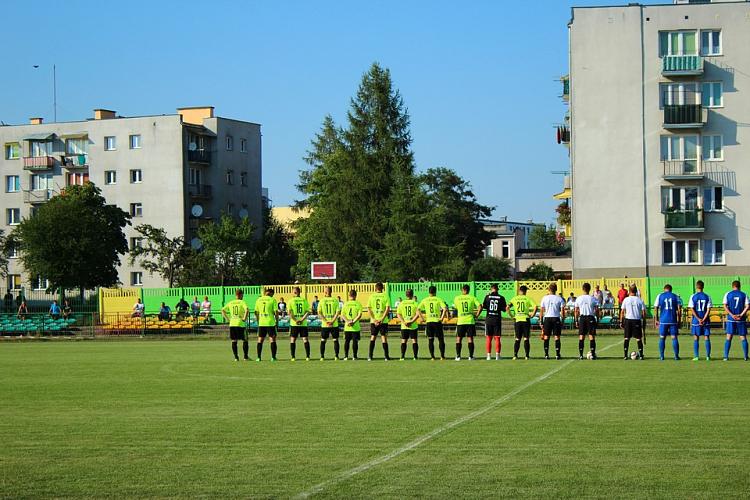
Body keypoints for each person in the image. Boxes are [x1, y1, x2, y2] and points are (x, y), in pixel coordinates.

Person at [453, 284, 482, 361]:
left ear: (462, 290)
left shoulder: (457, 298)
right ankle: (470, 356)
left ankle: (458, 356)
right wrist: (477, 315)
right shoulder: (472, 297)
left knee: (459, 338)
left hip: (461, 321)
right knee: (470, 338)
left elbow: (455, 308)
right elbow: (480, 306)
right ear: (468, 290)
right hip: (470, 321)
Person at [507, 285, 537, 360]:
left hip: (517, 319)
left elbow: (507, 307)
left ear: (519, 291)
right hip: (525, 319)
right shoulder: (527, 298)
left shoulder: (515, 298)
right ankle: (527, 356)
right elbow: (535, 307)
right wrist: (532, 315)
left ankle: (515, 355)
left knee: (517, 338)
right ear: (525, 291)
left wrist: (511, 316)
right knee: (526, 338)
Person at [654, 284, 683, 361]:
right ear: (671, 289)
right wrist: (679, 320)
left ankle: (661, 356)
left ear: (664, 289)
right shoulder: (675, 296)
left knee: (662, 337)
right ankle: (676, 356)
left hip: (663, 320)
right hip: (673, 320)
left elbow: (656, 307)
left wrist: (656, 319)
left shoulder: (660, 296)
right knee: (674, 337)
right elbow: (679, 309)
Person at [418, 286, 448, 360]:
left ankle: (432, 357)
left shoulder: (425, 300)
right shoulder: (438, 299)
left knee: (430, 340)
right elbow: (445, 308)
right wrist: (442, 318)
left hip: (429, 322)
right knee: (440, 339)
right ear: (435, 291)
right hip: (437, 321)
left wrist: (422, 318)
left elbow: (418, 310)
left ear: (429, 292)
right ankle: (442, 356)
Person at [723, 280, 749, 361]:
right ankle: (745, 356)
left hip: (731, 319)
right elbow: (747, 306)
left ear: (732, 286)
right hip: (741, 319)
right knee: (743, 337)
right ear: (740, 286)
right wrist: (741, 314)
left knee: (729, 337)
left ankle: (726, 357)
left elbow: (725, 306)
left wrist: (732, 315)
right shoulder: (744, 294)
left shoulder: (728, 294)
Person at [221, 289, 250, 361]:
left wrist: (228, 319)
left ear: (235, 294)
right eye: (242, 295)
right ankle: (245, 357)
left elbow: (222, 310)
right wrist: (244, 318)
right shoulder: (242, 302)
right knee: (245, 340)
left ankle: (236, 357)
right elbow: (247, 310)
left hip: (232, 323)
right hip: (240, 323)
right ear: (241, 295)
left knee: (234, 340)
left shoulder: (231, 302)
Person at [540, 283, 566, 360]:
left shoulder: (544, 298)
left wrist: (541, 321)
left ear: (549, 289)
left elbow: (541, 310)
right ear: (556, 289)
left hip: (547, 318)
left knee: (546, 336)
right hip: (556, 318)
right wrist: (563, 320)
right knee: (557, 337)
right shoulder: (559, 298)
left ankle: (546, 354)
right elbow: (562, 311)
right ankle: (557, 355)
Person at [688, 280, 712, 361]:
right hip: (706, 320)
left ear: (696, 287)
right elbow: (708, 309)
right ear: (703, 287)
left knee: (696, 338)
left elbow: (692, 309)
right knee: (706, 337)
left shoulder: (693, 296)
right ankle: (708, 356)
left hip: (696, 321)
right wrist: (704, 319)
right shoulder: (707, 296)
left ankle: (696, 356)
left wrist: (698, 319)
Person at [574, 283, 599, 360]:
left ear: (582, 289)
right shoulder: (593, 298)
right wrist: (597, 318)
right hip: (590, 317)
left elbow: (576, 310)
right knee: (591, 336)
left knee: (581, 336)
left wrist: (576, 320)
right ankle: (593, 355)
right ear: (589, 289)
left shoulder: (579, 298)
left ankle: (581, 355)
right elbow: (597, 310)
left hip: (582, 318)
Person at [620, 285, 646, 360]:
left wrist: (621, 321)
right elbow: (644, 312)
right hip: (637, 320)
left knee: (626, 338)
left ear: (629, 291)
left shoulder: (626, 299)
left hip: (628, 320)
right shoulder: (640, 300)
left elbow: (622, 311)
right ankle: (641, 355)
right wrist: (644, 321)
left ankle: (625, 356)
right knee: (638, 338)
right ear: (636, 291)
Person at [482, 283, 507, 360]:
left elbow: (484, 306)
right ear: (497, 289)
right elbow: (504, 309)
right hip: (497, 320)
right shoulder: (501, 297)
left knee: (488, 338)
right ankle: (497, 356)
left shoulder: (487, 297)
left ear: (491, 289)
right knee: (497, 338)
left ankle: (488, 356)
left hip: (489, 319)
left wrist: (487, 297)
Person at [367, 282, 391, 361]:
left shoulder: (372, 296)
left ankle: (370, 356)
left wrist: (374, 319)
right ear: (382, 288)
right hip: (383, 321)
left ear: (375, 288)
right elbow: (387, 308)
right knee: (384, 337)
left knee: (373, 337)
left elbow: (369, 308)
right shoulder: (385, 296)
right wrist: (382, 319)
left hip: (373, 321)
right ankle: (386, 357)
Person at [254, 288, 279, 361]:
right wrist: (277, 321)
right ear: (271, 293)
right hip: (270, 322)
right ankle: (273, 357)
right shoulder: (272, 300)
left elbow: (256, 312)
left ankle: (258, 357)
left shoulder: (259, 300)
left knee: (260, 340)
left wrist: (258, 320)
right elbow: (276, 312)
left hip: (261, 322)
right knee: (272, 339)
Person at [288, 287, 311, 361]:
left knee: (293, 340)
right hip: (303, 323)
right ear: (299, 292)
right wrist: (301, 320)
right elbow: (307, 312)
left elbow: (289, 313)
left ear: (294, 292)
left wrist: (295, 320)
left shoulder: (291, 301)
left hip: (294, 324)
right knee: (305, 339)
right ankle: (307, 356)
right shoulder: (304, 300)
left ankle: (293, 357)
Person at [397, 289, 420, 360]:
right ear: (412, 295)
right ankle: (415, 357)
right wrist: (411, 321)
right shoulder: (415, 303)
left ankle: (402, 356)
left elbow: (398, 314)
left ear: (406, 295)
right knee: (414, 341)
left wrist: (404, 322)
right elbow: (418, 314)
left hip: (404, 326)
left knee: (404, 341)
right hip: (413, 325)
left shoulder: (401, 303)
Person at [318, 286, 341, 360]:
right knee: (335, 340)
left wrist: (326, 321)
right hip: (334, 324)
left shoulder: (322, 301)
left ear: (325, 292)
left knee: (323, 340)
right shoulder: (335, 300)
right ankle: (336, 356)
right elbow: (338, 312)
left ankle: (322, 357)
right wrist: (332, 321)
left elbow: (319, 312)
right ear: (331, 292)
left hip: (325, 325)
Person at [341, 289, 363, 360]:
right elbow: (359, 315)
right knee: (355, 341)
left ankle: (346, 356)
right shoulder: (358, 304)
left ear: (349, 295)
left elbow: (342, 315)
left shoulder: (345, 304)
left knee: (347, 341)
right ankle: (354, 356)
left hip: (347, 327)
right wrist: (353, 321)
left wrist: (347, 321)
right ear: (356, 295)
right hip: (355, 326)